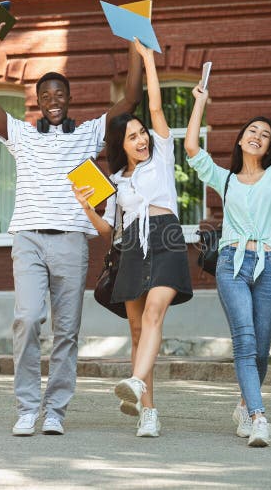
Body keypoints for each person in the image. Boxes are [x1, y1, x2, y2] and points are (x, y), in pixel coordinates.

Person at [0, 23, 143, 436]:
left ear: (69, 99)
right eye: (45, 96)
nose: (52, 101)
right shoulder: (22, 135)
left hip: (70, 240)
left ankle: (56, 411)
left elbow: (131, 98)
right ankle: (28, 406)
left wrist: (135, 45)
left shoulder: (87, 135)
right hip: (28, 239)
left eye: (59, 95)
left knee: (67, 330)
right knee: (28, 320)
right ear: (38, 101)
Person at [74, 39, 194, 438]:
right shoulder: (116, 181)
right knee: (138, 331)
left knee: (157, 313)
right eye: (133, 137)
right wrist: (86, 205)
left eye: (142, 132)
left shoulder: (162, 155)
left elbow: (157, 107)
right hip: (131, 247)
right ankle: (148, 412)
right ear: (120, 146)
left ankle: (137, 382)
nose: (141, 139)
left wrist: (146, 60)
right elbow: (108, 230)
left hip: (167, 237)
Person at [184, 61, 271, 447]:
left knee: (262, 347)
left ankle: (243, 404)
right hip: (231, 265)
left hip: (270, 265)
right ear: (240, 140)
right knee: (245, 340)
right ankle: (259, 417)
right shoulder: (225, 179)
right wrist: (199, 103)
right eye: (252, 131)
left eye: (264, 134)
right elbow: (190, 149)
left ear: (269, 147)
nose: (259, 135)